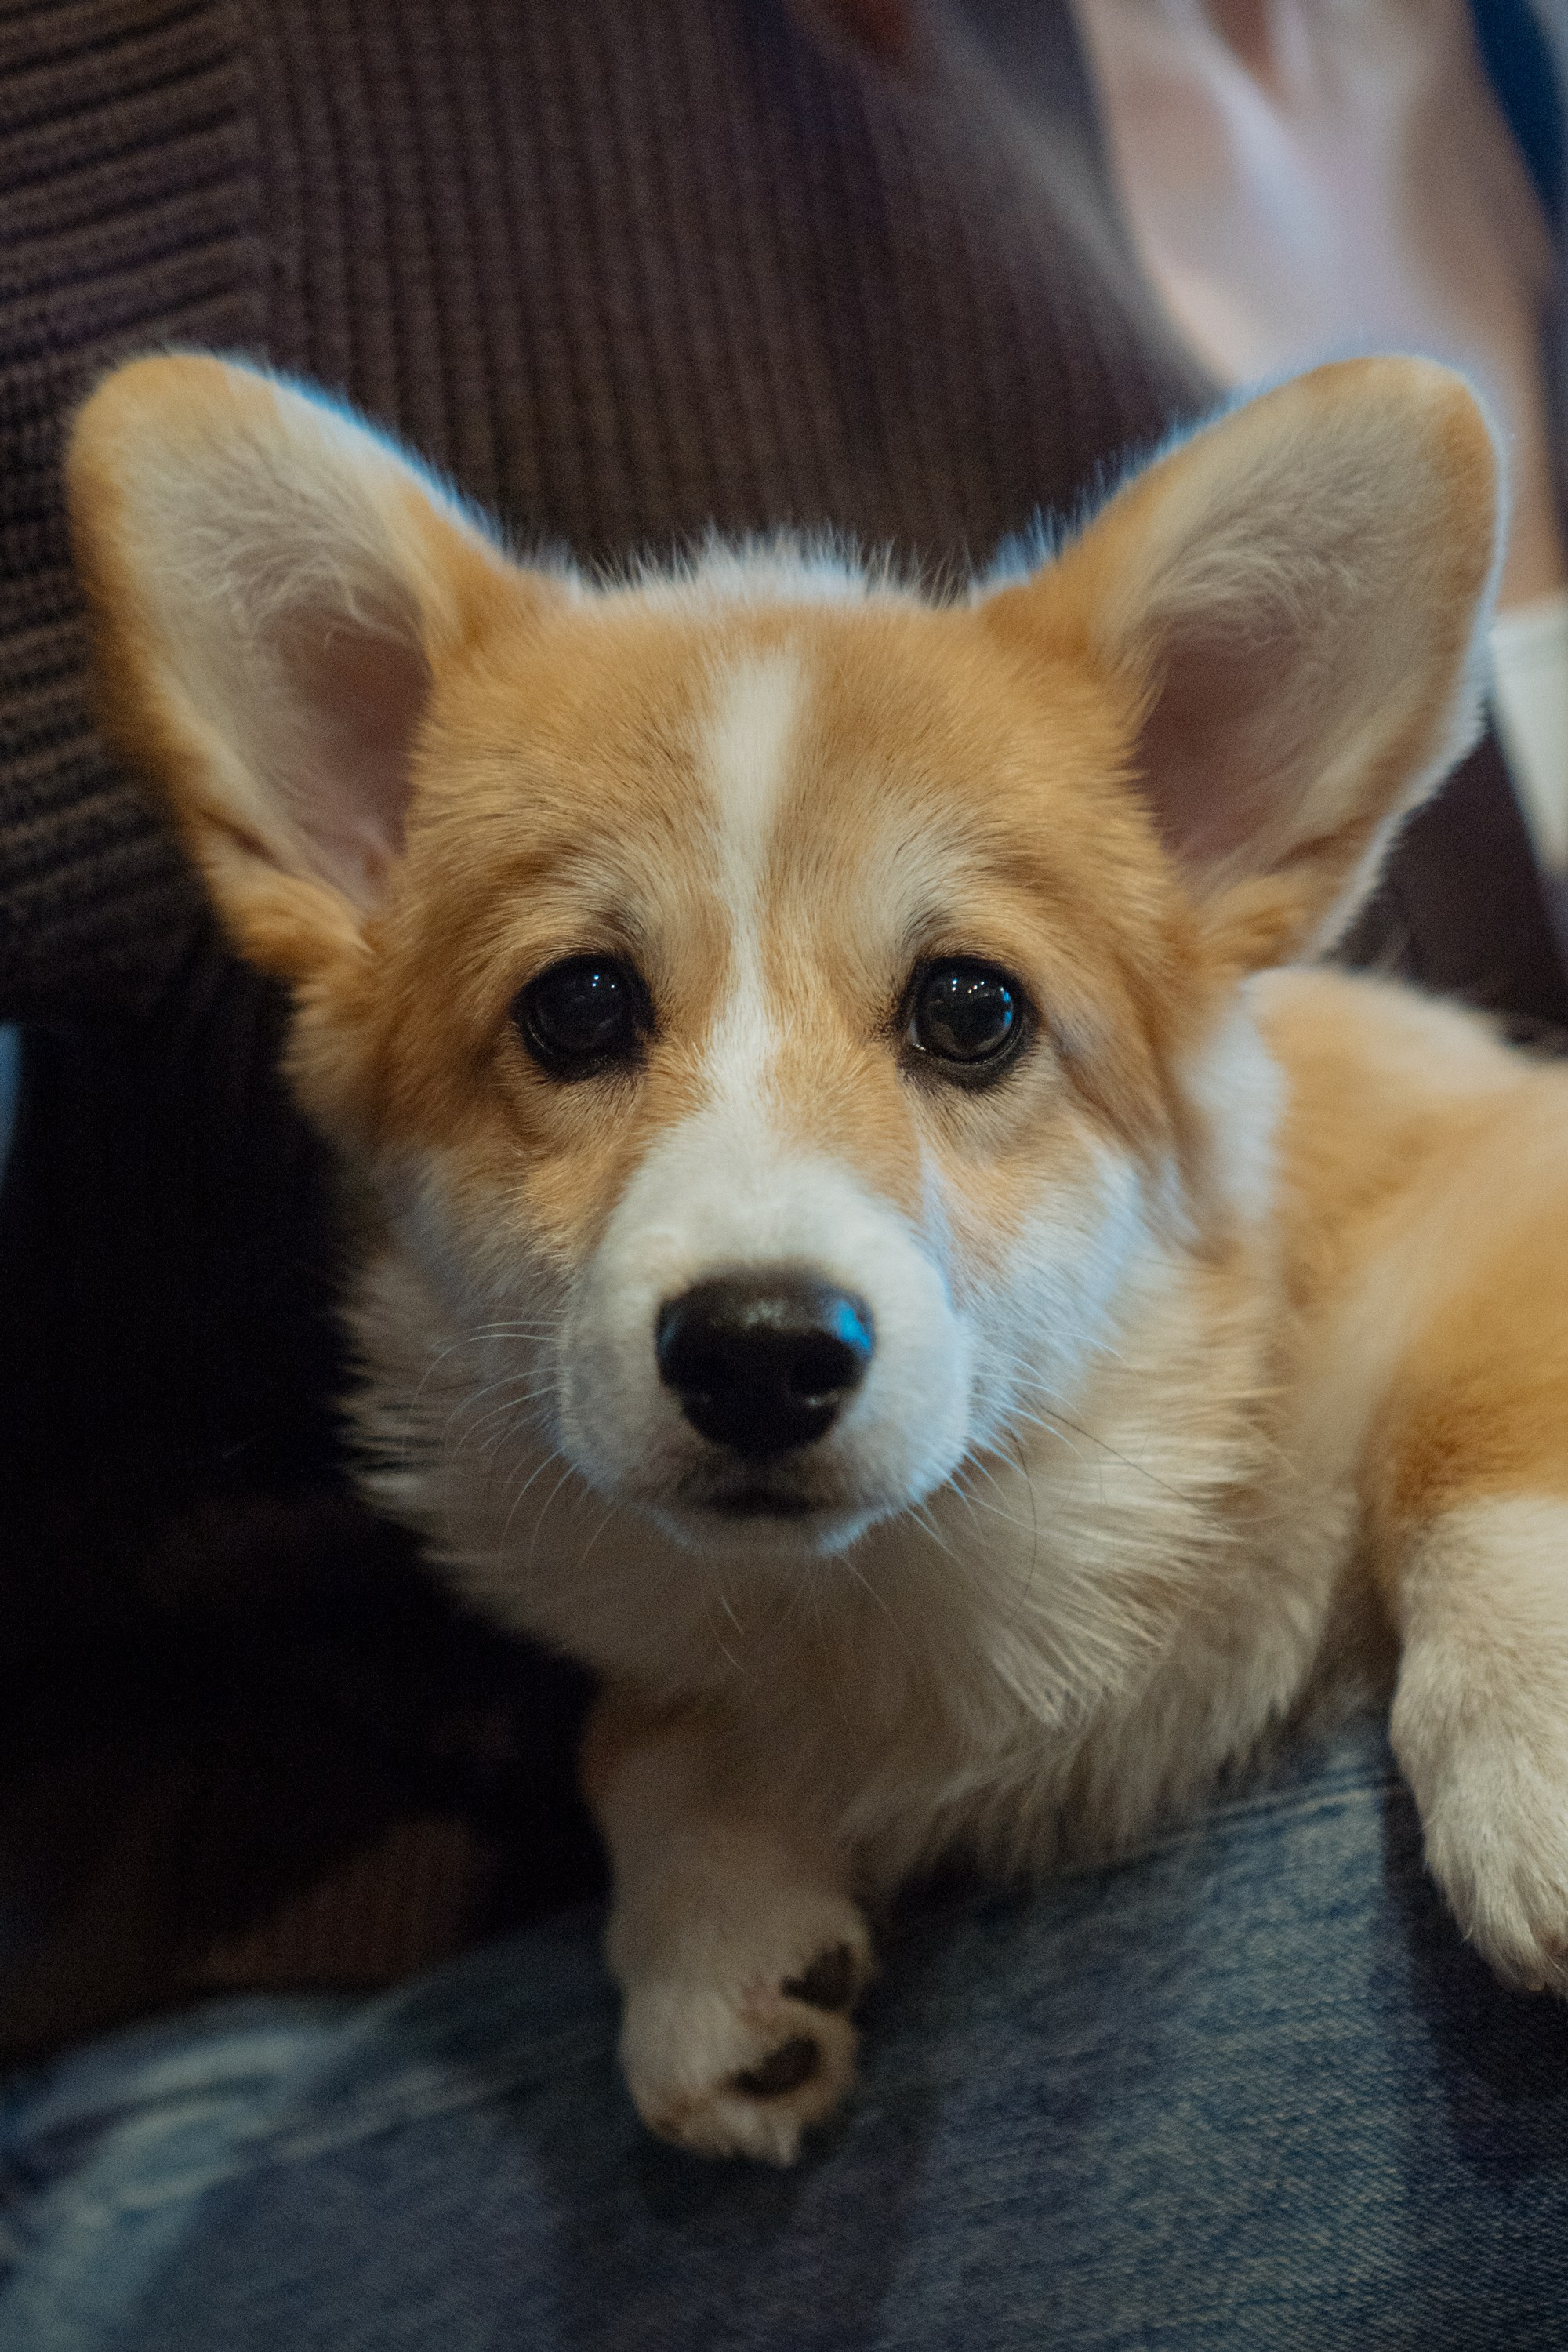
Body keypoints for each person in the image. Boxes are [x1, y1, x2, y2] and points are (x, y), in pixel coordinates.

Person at [2, 3, 1567, 2344]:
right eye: (581, 1014)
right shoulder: (253, 74)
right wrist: (678, 1832)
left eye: (959, 1016)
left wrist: (1501, 1580)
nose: (760, 1221)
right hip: (292, 2039)